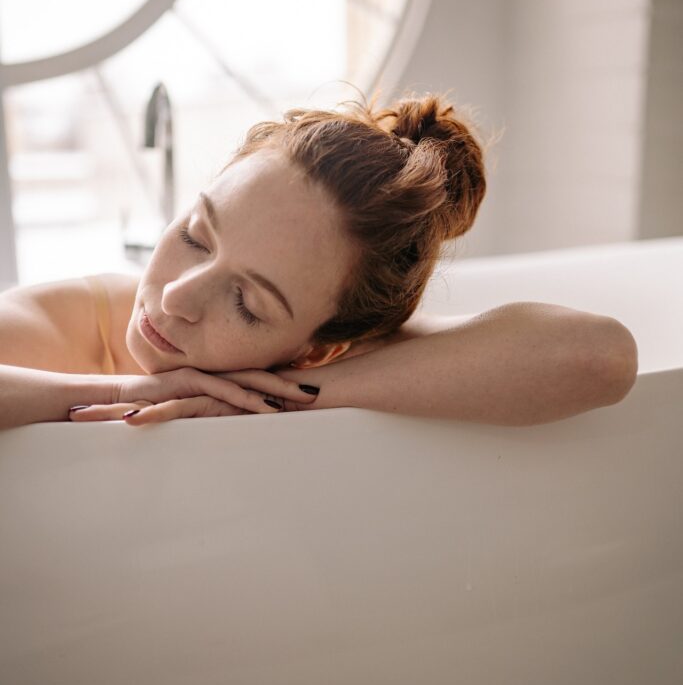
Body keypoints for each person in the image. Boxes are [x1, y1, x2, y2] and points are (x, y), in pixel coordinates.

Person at [0, 91, 637, 432]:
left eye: (248, 304)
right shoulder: (86, 313)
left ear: (315, 351)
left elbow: (597, 355)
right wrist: (142, 392)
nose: (175, 298)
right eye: (196, 236)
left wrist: (282, 400)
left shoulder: (326, 362)